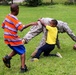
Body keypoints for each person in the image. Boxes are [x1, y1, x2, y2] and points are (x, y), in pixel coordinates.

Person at [2, 3, 37, 73]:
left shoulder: (7, 16)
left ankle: (7, 58)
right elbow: (21, 28)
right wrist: (31, 24)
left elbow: (3, 25)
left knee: (17, 49)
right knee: (22, 51)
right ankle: (23, 68)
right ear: (17, 10)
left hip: (6, 37)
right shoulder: (14, 18)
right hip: (13, 38)